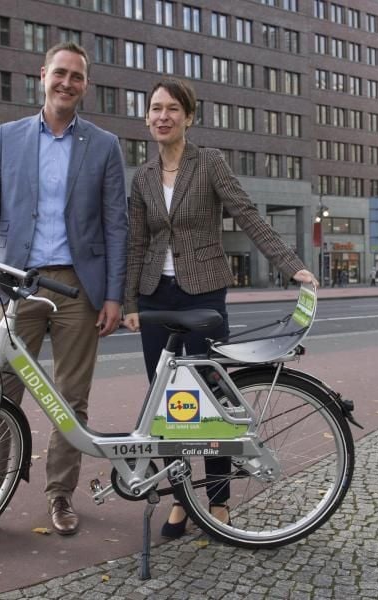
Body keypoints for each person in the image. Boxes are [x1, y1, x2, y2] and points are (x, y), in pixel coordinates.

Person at [122, 77, 318, 539]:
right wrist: (130, 300)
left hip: (203, 294)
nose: (163, 116)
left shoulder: (209, 162)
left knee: (212, 396)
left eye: (173, 109)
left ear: (188, 117)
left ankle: (218, 499)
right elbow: (136, 243)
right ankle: (180, 498)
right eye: (156, 109)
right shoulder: (143, 176)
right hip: (154, 296)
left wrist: (292, 266)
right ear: (147, 118)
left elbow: (247, 215)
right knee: (167, 402)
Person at [0, 42, 127, 537]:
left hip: (77, 286)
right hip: (17, 281)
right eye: (60, 73)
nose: (67, 83)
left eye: (77, 76)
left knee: (70, 398)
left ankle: (60, 495)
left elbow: (117, 225)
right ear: (43, 75)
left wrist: (115, 295)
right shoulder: (9, 137)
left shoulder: (104, 145)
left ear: (85, 86)